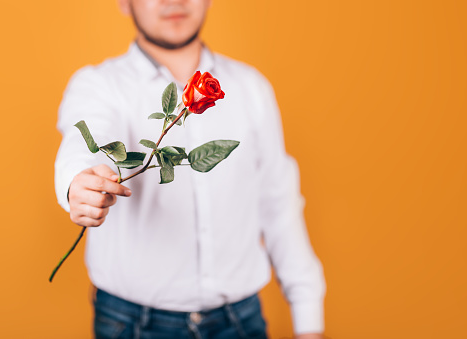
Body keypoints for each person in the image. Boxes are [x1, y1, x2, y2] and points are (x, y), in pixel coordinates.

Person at [54, 0, 326, 338]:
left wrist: (308, 318)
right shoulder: (98, 85)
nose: (175, 1)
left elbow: (278, 204)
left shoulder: (251, 87)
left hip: (241, 322)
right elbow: (85, 141)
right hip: (132, 325)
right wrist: (79, 183)